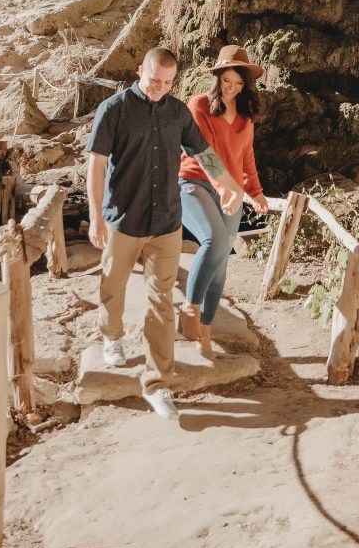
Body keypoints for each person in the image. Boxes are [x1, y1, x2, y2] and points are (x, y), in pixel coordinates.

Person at [86, 47, 244, 421]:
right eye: (154, 80)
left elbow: (202, 152)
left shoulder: (177, 112)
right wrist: (95, 217)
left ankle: (158, 385)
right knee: (113, 286)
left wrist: (224, 183)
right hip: (123, 219)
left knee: (160, 305)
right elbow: (95, 164)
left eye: (168, 82)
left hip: (166, 224)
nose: (159, 88)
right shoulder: (114, 109)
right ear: (140, 70)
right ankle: (111, 335)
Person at [178, 45, 268, 356]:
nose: (232, 88)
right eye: (227, 81)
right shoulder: (199, 105)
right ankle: (189, 312)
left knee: (221, 264)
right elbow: (204, 155)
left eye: (239, 83)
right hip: (195, 183)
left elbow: (246, 156)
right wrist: (227, 190)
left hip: (232, 192)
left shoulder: (245, 116)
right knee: (214, 240)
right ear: (217, 78)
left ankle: (204, 328)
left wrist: (254, 192)